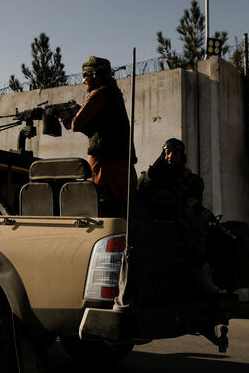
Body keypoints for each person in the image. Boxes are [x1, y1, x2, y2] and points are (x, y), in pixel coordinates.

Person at [137, 138, 219, 296]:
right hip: (155, 218)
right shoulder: (153, 174)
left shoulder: (191, 179)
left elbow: (189, 201)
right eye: (167, 153)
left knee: (196, 221)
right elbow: (142, 192)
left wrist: (180, 184)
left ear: (182, 156)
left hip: (179, 217)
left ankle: (202, 270)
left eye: (175, 153)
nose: (170, 156)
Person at [66, 55, 137, 216]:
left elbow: (77, 124)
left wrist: (72, 117)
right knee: (125, 209)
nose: (83, 81)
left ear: (96, 75)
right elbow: (101, 128)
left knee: (97, 205)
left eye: (85, 75)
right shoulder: (114, 93)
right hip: (122, 161)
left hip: (104, 164)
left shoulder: (98, 94)